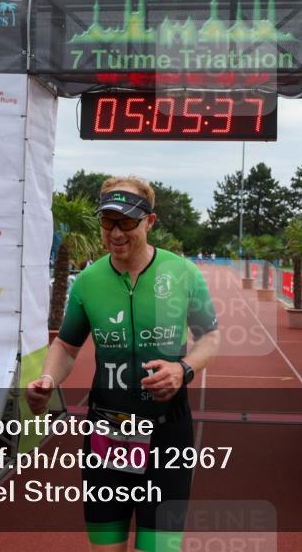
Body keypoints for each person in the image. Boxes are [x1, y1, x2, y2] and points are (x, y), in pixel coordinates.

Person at [26, 176, 220, 552]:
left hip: (168, 436)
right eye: (108, 222)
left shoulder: (183, 274)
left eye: (127, 222)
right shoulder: (89, 281)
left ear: (151, 221)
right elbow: (66, 346)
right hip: (106, 435)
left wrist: (183, 370)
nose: (115, 232)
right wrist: (48, 378)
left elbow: (209, 337)